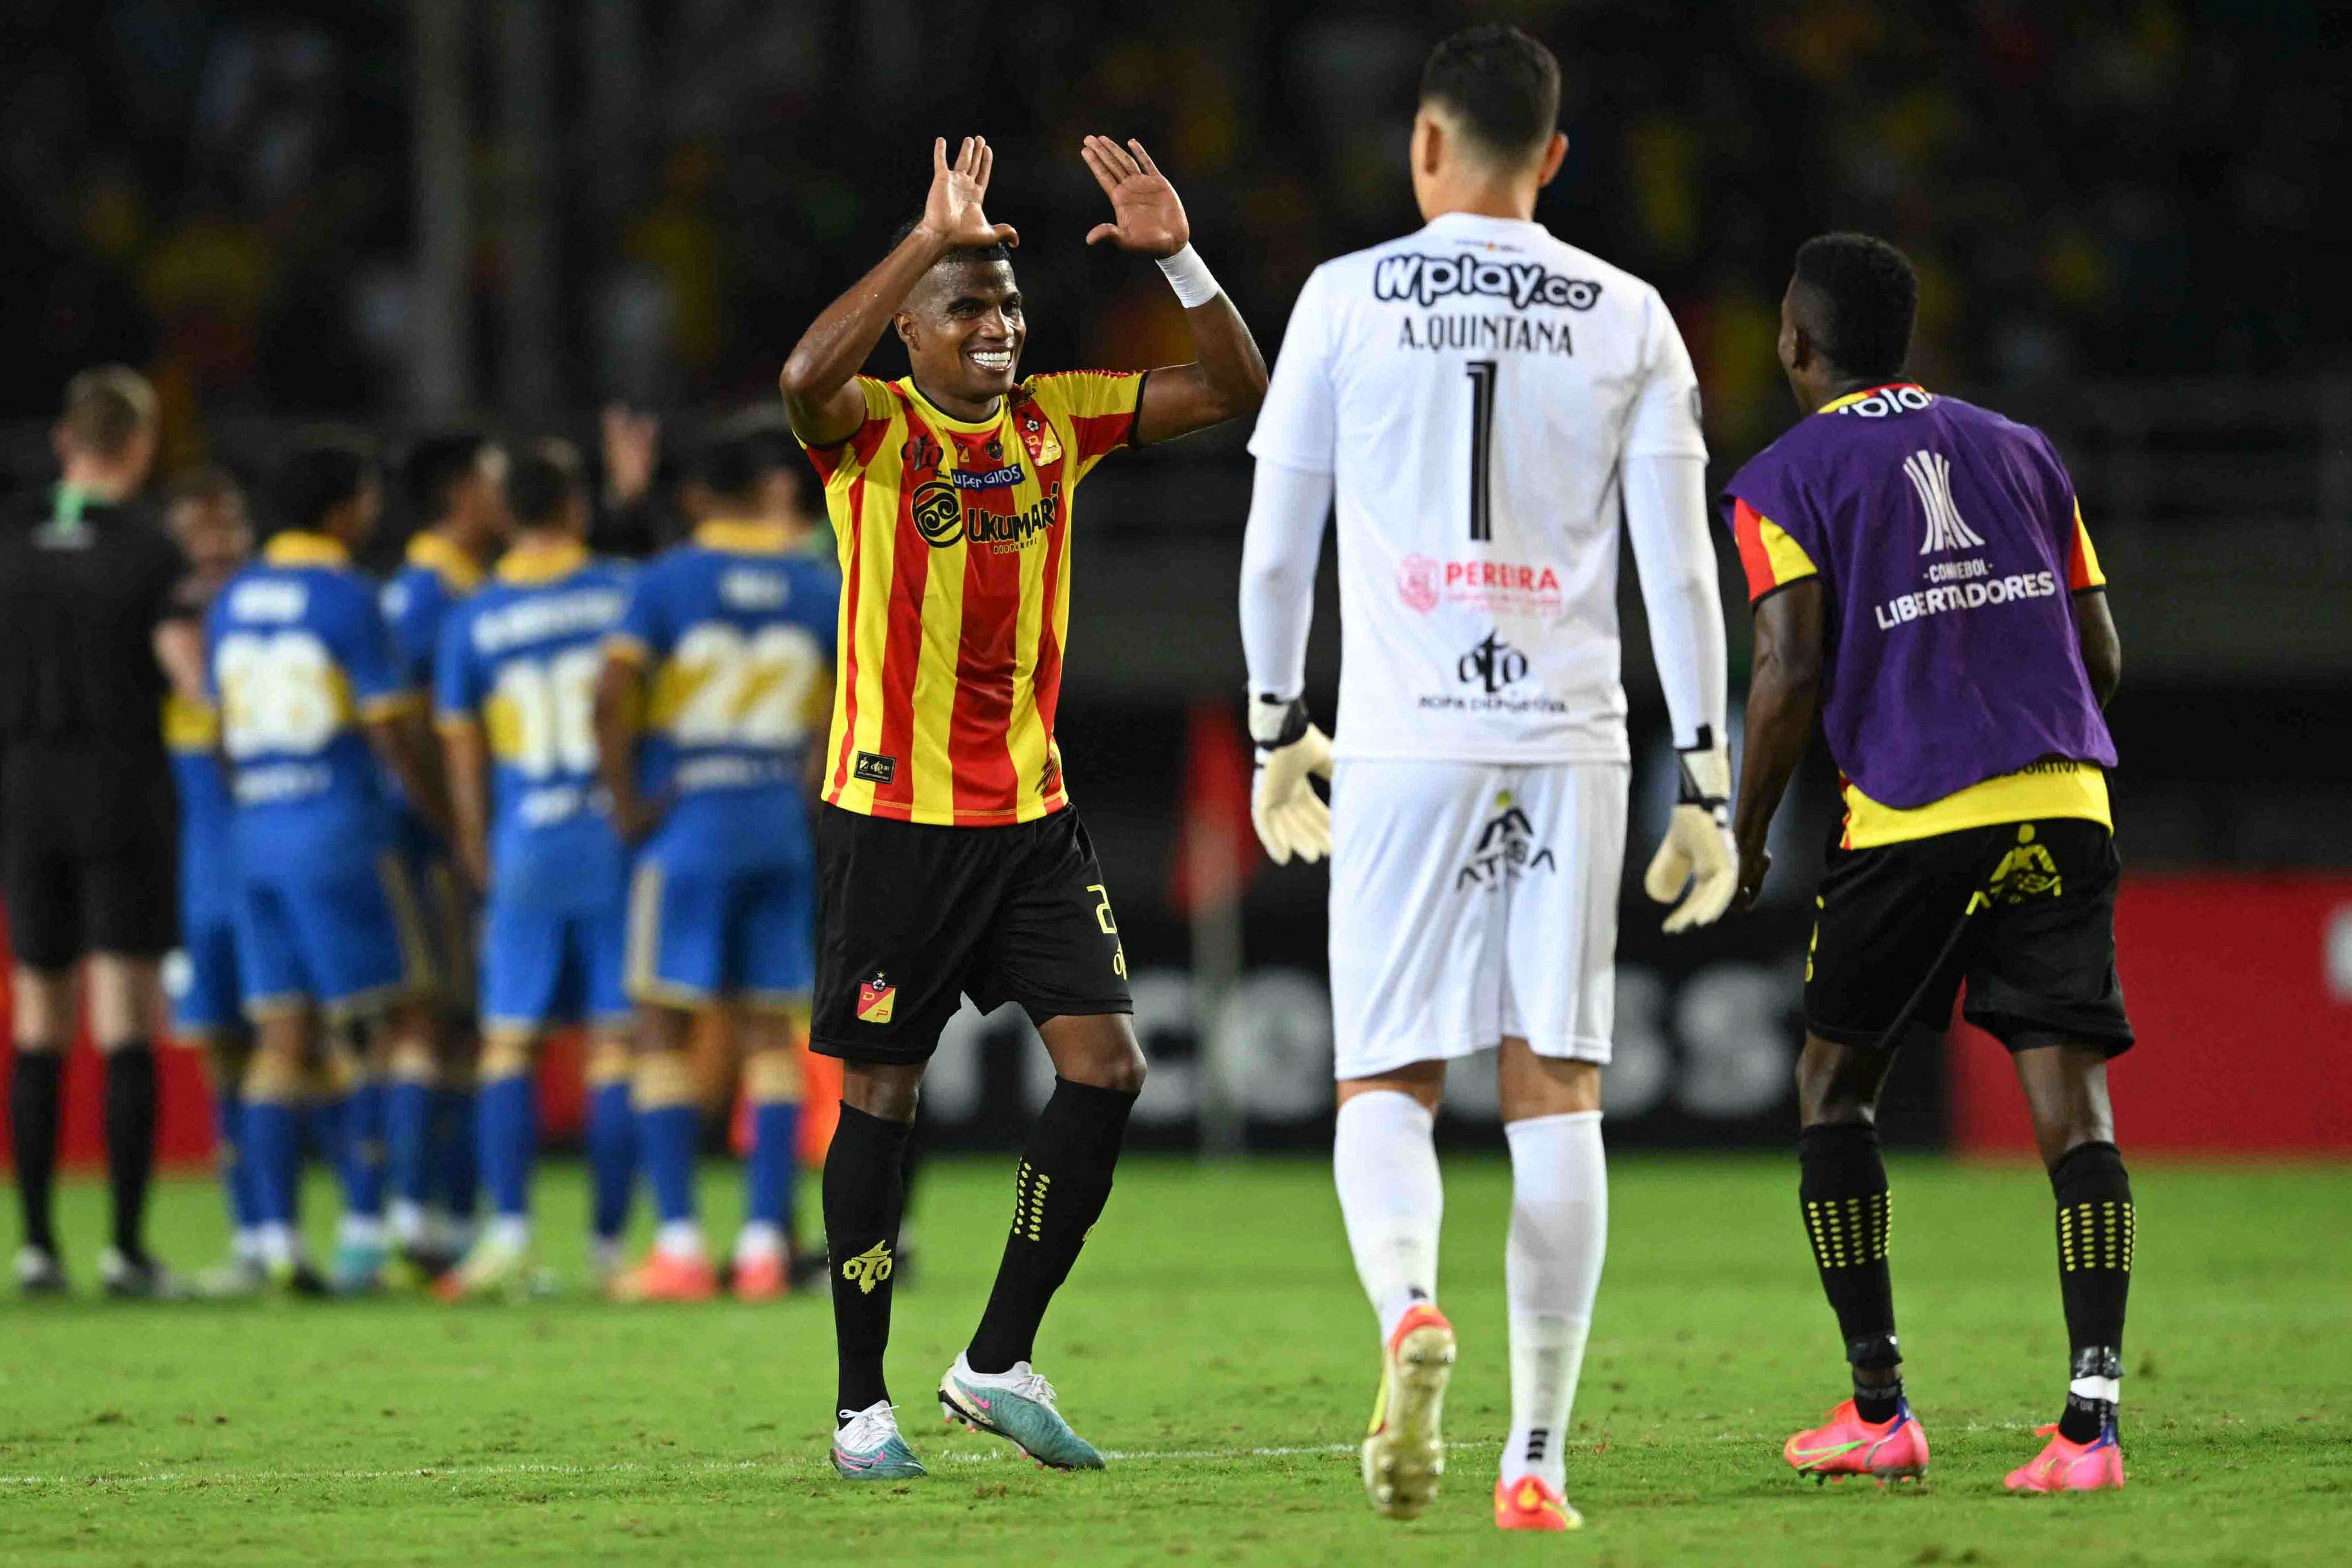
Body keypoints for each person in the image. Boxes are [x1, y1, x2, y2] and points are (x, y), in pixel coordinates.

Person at [1236, 26, 1735, 1532]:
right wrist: (1702, 773)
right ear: (1557, 158)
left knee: (1386, 1074)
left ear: (1425, 146)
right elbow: (1681, 570)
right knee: (1557, 1087)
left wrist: (1276, 725)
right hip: (1569, 737)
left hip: (1403, 732)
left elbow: (1278, 549)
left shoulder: (1340, 299)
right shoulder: (1629, 312)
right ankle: (1536, 1459)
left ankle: (1406, 1309)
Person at [778, 133, 1265, 1481]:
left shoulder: (1060, 414)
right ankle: (859, 1403)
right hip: (893, 817)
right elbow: (803, 378)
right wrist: (923, 242)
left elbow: (1235, 384)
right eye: (966, 306)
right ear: (915, 328)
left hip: (1030, 816)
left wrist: (1176, 255)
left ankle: (992, 1361)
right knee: (883, 1091)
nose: (995, 326)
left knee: (1107, 1068)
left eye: (1004, 304)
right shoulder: (871, 429)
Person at [1725, 233, 2133, 1494]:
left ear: (1796, 342)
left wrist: (1739, 836)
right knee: (2072, 1111)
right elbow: (2099, 653)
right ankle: (2088, 1425)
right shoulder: (2022, 450)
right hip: (2063, 797)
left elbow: (1787, 670)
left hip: (1910, 815)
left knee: (1832, 1088)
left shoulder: (1778, 478)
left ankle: (1879, 1407)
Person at [591, 429, 838, 1304]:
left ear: (698, 495)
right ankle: (768, 1246)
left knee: (659, 1027)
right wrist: (805, 799)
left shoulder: (665, 582)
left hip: (686, 831)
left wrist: (625, 799)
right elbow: (841, 708)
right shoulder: (819, 585)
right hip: (776, 827)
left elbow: (611, 693)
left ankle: (684, 1248)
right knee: (773, 1036)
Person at [207, 437, 451, 1292]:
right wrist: (441, 814)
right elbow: (388, 731)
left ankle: (274, 1239)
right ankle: (375, 1225)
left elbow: (223, 739)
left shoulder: (231, 598)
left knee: (282, 1038)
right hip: (336, 831)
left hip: (256, 838)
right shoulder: (349, 596)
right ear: (344, 507)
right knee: (405, 1022)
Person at [0, 366, 192, 1298]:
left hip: (25, 793)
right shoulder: (152, 547)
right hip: (121, 793)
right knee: (124, 1021)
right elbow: (187, 671)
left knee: (38, 1022)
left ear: (63, 442)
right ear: (142, 444)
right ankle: (125, 1248)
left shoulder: (11, 540)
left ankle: (35, 1246)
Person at [434, 442, 639, 1298]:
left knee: (508, 1041)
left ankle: (509, 1230)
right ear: (576, 507)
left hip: (524, 843)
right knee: (617, 1046)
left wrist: (476, 841)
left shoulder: (473, 617)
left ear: (509, 514)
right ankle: (608, 1247)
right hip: (611, 842)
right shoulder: (623, 594)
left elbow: (463, 745)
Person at [381, 433, 513, 1272]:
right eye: (494, 480)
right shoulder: (431, 588)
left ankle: (449, 1211)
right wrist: (453, 819)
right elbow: (412, 720)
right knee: (426, 1015)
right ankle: (407, 1210)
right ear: (461, 491)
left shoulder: (463, 583)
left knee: (463, 1023)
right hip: (426, 835)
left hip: (457, 832)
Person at [159, 467, 269, 1294]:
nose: (218, 545)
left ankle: (355, 1232)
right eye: (200, 533)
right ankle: (253, 1236)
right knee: (226, 1060)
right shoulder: (158, 649)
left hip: (276, 868)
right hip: (203, 884)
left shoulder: (276, 632)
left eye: (228, 526)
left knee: (327, 1051)